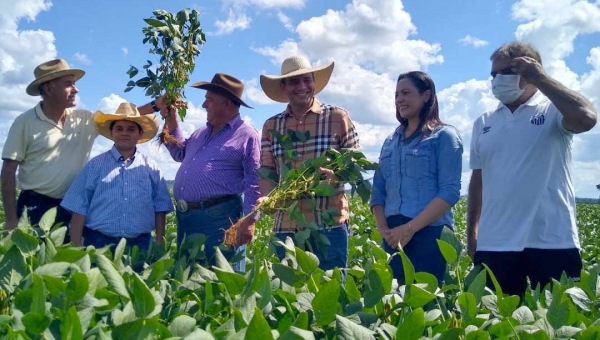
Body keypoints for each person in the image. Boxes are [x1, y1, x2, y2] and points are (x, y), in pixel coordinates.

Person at [467, 42, 597, 296]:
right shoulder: (484, 122)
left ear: (530, 73)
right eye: (494, 74)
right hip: (495, 243)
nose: (497, 80)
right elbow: (477, 182)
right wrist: (472, 234)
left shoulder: (553, 111)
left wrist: (541, 77)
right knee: (497, 328)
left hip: (553, 241)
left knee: (557, 328)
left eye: (507, 72)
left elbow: (586, 118)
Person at [1, 59, 168, 232]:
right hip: (35, 204)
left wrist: (155, 105)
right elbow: (8, 171)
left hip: (74, 205)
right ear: (49, 88)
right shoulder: (25, 122)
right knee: (33, 256)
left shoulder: (82, 119)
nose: (76, 89)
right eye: (68, 84)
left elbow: (121, 119)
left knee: (70, 256)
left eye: (74, 83)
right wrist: (11, 219)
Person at [258, 55, 360, 271]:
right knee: (290, 296)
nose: (302, 86)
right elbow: (267, 171)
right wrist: (267, 197)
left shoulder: (337, 117)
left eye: (307, 80)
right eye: (294, 81)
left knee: (330, 296)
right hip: (287, 226)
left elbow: (356, 164)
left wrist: (337, 177)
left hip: (329, 224)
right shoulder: (271, 126)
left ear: (314, 81)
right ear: (283, 87)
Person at [370, 71, 463, 285]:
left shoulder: (444, 136)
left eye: (406, 93)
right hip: (393, 235)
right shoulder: (390, 140)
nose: (399, 99)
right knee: (395, 304)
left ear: (426, 96)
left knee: (426, 304)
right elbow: (378, 190)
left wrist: (410, 229)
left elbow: (449, 191)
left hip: (430, 234)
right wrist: (384, 229)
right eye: (396, 95)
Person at [163, 73, 260, 272]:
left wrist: (251, 221)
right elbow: (179, 152)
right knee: (188, 278)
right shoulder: (201, 133)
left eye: (208, 100)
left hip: (220, 219)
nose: (203, 105)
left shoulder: (247, 135)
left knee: (220, 278)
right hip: (187, 218)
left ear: (226, 103)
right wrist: (171, 120)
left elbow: (255, 181)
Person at [60, 103, 173, 250]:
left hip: (140, 244)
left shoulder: (151, 167)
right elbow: (78, 207)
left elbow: (160, 208)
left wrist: (159, 243)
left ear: (140, 134)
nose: (124, 133)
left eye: (131, 129)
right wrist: (75, 246)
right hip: (98, 242)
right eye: (119, 129)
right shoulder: (95, 166)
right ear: (112, 133)